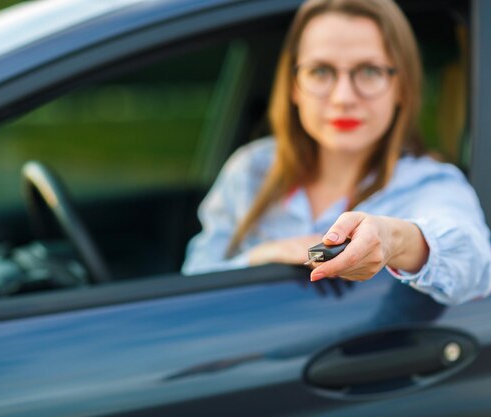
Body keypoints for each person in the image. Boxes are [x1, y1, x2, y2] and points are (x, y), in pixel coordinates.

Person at [182, 0, 491, 305]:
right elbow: (193, 283)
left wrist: (394, 240)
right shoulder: (251, 169)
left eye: (369, 71)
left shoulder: (427, 182)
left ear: (401, 86)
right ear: (293, 86)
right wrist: (264, 256)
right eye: (320, 71)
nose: (343, 97)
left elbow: (475, 263)